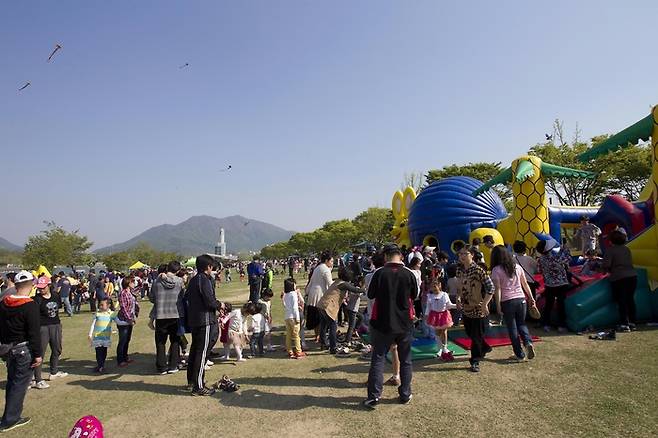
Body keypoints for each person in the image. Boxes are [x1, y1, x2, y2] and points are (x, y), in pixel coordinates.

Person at [363, 243, 417, 409]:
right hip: (404, 323)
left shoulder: (379, 273)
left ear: (385, 256)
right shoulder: (409, 273)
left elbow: (370, 294)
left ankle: (374, 396)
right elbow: (414, 295)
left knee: (378, 359)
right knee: (405, 359)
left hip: (382, 323)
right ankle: (405, 393)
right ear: (400, 255)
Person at [0, 271, 42, 432]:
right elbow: (34, 332)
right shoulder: (30, 305)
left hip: (9, 347)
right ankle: (10, 419)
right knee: (19, 384)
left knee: (12, 382)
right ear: (31, 285)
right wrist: (38, 354)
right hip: (24, 348)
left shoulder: (4, 302)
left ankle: (8, 415)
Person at [490, 245, 537, 362]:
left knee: (512, 328)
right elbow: (525, 284)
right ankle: (528, 342)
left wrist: (498, 305)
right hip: (521, 299)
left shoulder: (496, 270)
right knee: (522, 324)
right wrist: (531, 298)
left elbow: (498, 289)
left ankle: (519, 354)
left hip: (507, 301)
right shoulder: (517, 267)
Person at [455, 245, 494, 373]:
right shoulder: (459, 270)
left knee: (476, 336)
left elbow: (491, 288)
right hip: (466, 308)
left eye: (465, 254)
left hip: (478, 308)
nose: (462, 256)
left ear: (472, 254)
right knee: (470, 333)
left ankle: (475, 360)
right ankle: (485, 347)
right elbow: (460, 287)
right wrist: (458, 298)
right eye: (460, 254)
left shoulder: (478, 270)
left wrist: (485, 304)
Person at [185, 255, 220, 395]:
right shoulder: (204, 280)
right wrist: (220, 305)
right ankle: (198, 386)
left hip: (195, 319)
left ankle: (192, 382)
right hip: (204, 320)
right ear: (209, 267)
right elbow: (210, 301)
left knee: (195, 350)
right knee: (202, 352)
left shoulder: (193, 280)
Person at [317, 267, 366, 354]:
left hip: (321, 304)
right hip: (328, 306)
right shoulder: (343, 284)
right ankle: (333, 347)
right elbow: (356, 290)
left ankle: (323, 343)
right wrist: (364, 287)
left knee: (323, 326)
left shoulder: (337, 281)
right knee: (333, 326)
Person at [149, 261, 184, 375]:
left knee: (160, 342)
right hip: (175, 314)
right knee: (175, 341)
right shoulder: (179, 282)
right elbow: (182, 297)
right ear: (178, 270)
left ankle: (161, 367)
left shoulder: (156, 282)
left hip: (161, 315)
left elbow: (152, 298)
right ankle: (173, 365)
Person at [32, 276, 67, 389]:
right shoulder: (37, 299)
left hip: (56, 325)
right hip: (42, 327)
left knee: (57, 349)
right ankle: (37, 379)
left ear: (49, 285)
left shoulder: (56, 296)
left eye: (43, 287)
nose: (41, 289)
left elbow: (58, 308)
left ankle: (54, 372)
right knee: (40, 352)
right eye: (39, 288)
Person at [602, 229, 638, 332]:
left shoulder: (611, 250)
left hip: (619, 278)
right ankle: (632, 322)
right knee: (630, 299)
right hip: (632, 277)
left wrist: (600, 268)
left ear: (611, 240)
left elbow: (606, 265)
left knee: (621, 301)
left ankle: (624, 323)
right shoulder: (626, 249)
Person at [536, 239, 571, 333]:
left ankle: (546, 324)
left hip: (549, 284)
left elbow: (539, 270)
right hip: (561, 283)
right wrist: (565, 249)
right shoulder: (555, 257)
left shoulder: (541, 259)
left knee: (548, 305)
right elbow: (568, 258)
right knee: (561, 304)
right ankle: (561, 325)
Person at [424, 278, 456, 361]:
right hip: (435, 315)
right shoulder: (430, 296)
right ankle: (440, 349)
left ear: (439, 285)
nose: (433, 288)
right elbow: (428, 307)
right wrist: (426, 315)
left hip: (444, 315)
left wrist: (456, 306)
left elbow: (449, 305)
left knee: (444, 331)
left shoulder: (444, 294)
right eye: (432, 287)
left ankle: (445, 348)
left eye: (435, 286)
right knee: (437, 333)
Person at [304, 251, 334, 339]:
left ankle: (317, 335)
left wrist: (307, 292)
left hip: (312, 294)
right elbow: (330, 284)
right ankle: (321, 336)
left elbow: (311, 281)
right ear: (326, 261)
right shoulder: (325, 269)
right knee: (321, 317)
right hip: (320, 295)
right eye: (331, 261)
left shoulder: (317, 268)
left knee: (315, 316)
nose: (332, 263)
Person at [88, 298, 116, 373]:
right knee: (98, 352)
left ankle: (101, 365)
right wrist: (90, 334)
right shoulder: (97, 314)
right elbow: (93, 325)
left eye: (102, 305)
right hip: (97, 338)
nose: (100, 306)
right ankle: (100, 366)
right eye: (100, 304)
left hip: (106, 338)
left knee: (104, 352)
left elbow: (118, 321)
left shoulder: (111, 314)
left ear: (108, 305)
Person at [116, 277, 139, 367]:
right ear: (128, 283)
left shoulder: (131, 293)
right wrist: (129, 319)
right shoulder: (123, 293)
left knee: (127, 339)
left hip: (130, 319)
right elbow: (124, 308)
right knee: (122, 340)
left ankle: (125, 357)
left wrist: (134, 316)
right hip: (123, 320)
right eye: (133, 282)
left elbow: (133, 306)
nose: (134, 284)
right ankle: (120, 360)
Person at [283, 277, 306, 359]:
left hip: (287, 317)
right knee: (296, 335)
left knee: (289, 335)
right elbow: (295, 307)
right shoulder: (293, 294)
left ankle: (289, 351)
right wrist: (297, 318)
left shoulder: (286, 295)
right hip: (293, 317)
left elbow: (285, 305)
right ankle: (298, 352)